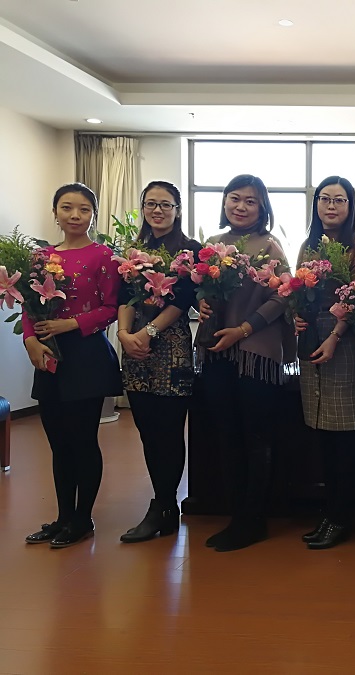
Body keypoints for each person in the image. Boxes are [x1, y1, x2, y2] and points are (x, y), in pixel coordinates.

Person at [198, 174, 296, 552]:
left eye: (250, 201)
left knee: (256, 437)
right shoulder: (212, 244)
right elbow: (200, 289)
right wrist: (202, 303)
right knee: (227, 436)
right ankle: (236, 514)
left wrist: (243, 329)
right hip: (218, 352)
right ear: (224, 202)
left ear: (262, 207)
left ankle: (253, 519)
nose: (241, 206)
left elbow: (283, 297)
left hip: (257, 354)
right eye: (234, 198)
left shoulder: (270, 246)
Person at [23, 183, 121, 548]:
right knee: (58, 442)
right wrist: (30, 341)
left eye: (83, 209)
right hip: (48, 356)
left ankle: (82, 519)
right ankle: (63, 517)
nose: (75, 216)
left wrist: (70, 324)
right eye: (67, 208)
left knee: (82, 440)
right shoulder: (40, 257)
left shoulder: (103, 256)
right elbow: (29, 305)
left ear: (93, 215)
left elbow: (110, 308)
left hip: (86, 356)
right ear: (55, 212)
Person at [117, 181, 202, 543]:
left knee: (168, 430)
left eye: (165, 204)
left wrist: (147, 332)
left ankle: (164, 506)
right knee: (147, 430)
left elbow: (182, 300)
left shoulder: (190, 250)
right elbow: (124, 297)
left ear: (177, 210)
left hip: (171, 348)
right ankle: (162, 504)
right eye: (151, 204)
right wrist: (124, 334)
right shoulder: (132, 251)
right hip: (135, 348)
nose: (158, 210)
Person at [297, 175, 355, 550]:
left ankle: (341, 516)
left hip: (343, 341)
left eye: (339, 200)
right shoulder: (308, 245)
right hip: (311, 339)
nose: (331, 205)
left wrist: (335, 335)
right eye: (324, 198)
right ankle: (328, 512)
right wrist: (296, 316)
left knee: (343, 432)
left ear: (349, 206)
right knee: (321, 433)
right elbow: (296, 289)